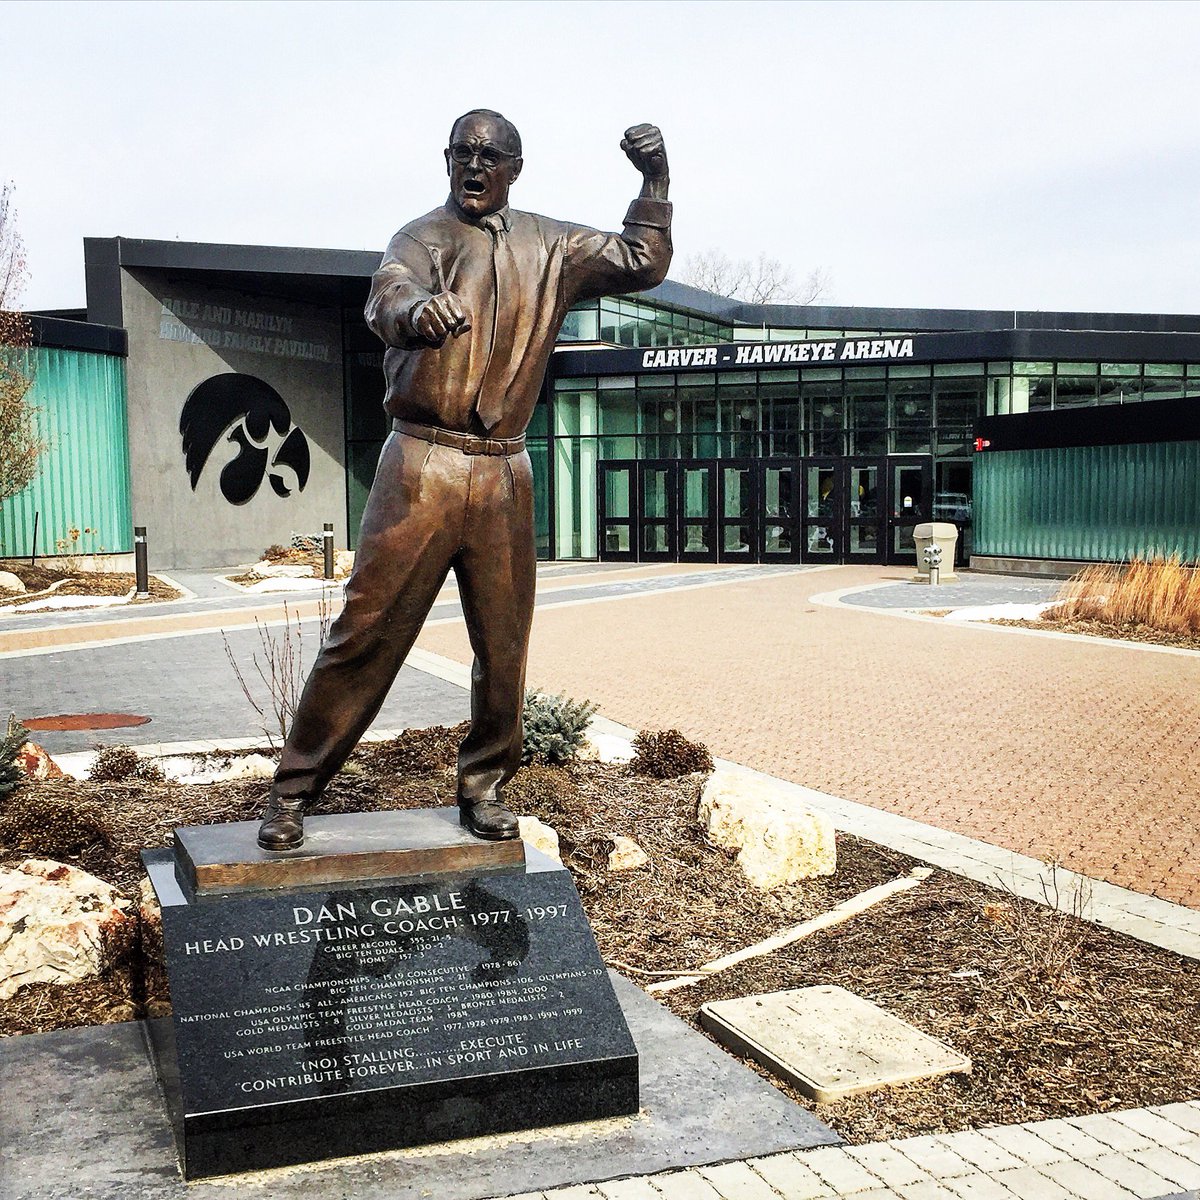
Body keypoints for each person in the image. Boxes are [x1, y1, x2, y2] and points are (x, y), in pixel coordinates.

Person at [257, 109, 672, 851]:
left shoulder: (554, 244)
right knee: (366, 632)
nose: (473, 166)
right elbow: (387, 292)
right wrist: (416, 309)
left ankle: (483, 786)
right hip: (423, 460)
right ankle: (293, 790)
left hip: (505, 470)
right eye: (461, 154)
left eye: (489, 156)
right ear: (445, 160)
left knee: (504, 645)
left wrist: (654, 180)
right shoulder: (421, 238)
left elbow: (642, 259)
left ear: (516, 168)